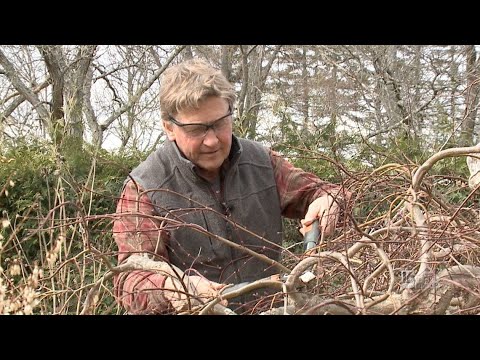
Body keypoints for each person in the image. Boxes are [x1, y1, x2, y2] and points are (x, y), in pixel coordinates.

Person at [112, 58, 351, 314]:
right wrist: (175, 288)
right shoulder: (145, 187)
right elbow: (130, 278)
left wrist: (330, 201)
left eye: (219, 123)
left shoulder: (262, 163)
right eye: (197, 130)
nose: (212, 141)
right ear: (169, 128)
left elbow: (324, 193)